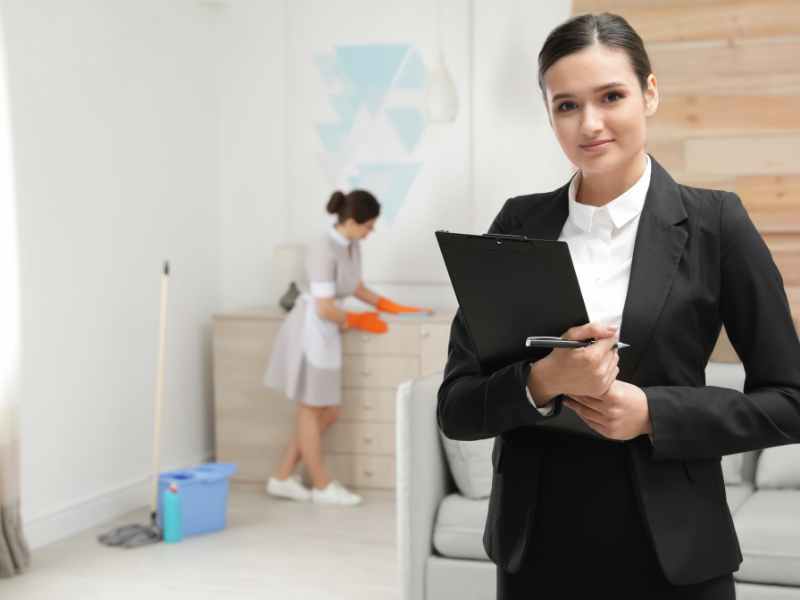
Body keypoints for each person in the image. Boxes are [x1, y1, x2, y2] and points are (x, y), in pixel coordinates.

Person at [437, 12, 800, 599]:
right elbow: (456, 407)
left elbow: (790, 401)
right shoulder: (518, 223)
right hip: (537, 550)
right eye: (567, 105)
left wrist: (654, 412)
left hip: (676, 553)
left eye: (611, 96)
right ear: (549, 114)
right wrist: (543, 381)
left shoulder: (716, 223)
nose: (590, 123)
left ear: (649, 93)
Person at [264, 188, 432, 506]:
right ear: (352, 221)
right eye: (368, 226)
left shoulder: (351, 246)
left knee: (327, 410)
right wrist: (358, 320)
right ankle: (322, 484)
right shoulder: (322, 249)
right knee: (311, 408)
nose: (370, 233)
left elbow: (355, 287)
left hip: (328, 331)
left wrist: (390, 306)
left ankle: (282, 477)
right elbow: (324, 307)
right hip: (311, 331)